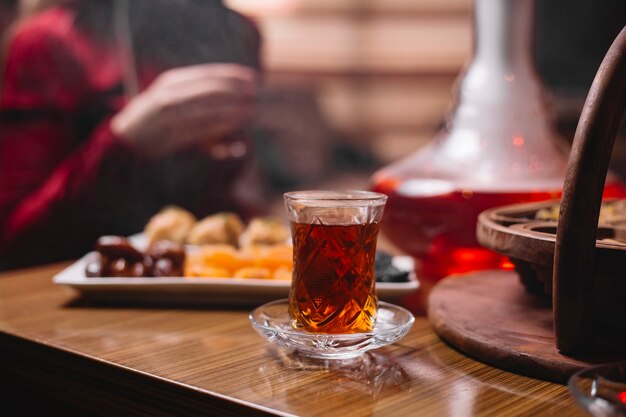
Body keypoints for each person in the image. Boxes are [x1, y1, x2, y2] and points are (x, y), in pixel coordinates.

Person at [0, 0, 261, 269]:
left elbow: (230, 189)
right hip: (81, 284)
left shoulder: (236, 32)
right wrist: (124, 141)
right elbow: (15, 241)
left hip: (208, 279)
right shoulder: (49, 41)